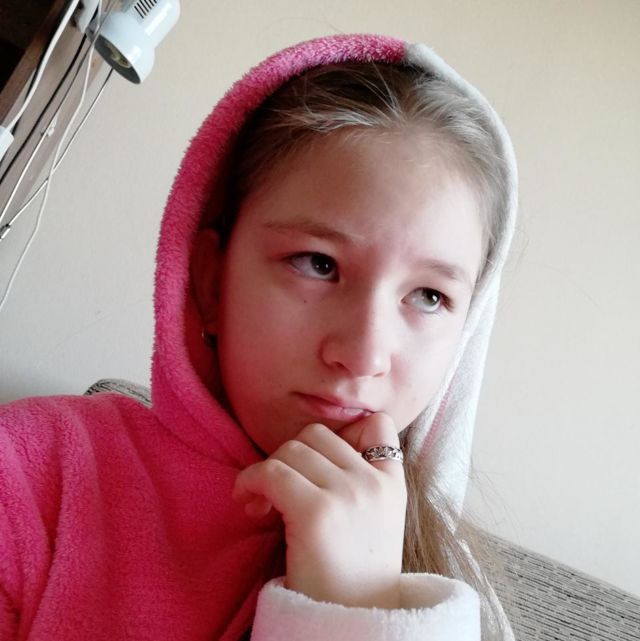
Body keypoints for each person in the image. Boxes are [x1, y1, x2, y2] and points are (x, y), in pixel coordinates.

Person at [0, 33, 517, 640]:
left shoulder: (460, 604)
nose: (363, 355)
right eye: (317, 263)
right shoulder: (32, 479)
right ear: (211, 280)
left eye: (429, 296)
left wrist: (357, 603)